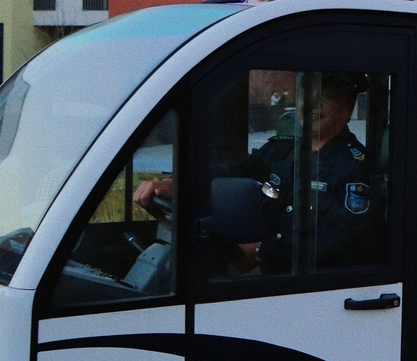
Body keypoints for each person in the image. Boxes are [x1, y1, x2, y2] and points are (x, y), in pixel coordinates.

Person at [134, 72, 386, 274]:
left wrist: (261, 252)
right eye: (305, 95)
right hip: (268, 273)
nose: (311, 104)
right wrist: (176, 184)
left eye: (324, 96)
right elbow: (230, 172)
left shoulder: (357, 168)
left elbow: (339, 240)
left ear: (348, 108)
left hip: (312, 285)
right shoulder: (280, 151)